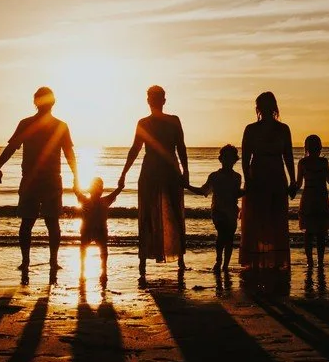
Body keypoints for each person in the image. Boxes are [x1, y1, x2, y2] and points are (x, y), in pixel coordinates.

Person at [0, 86, 79, 282]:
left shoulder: (58, 126)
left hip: (46, 179)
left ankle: (41, 261)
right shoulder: (32, 124)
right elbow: (12, 147)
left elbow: (68, 153)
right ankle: (37, 261)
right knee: (38, 222)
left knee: (42, 222)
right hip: (38, 179)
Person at [117, 85, 190, 280]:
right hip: (151, 170)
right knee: (148, 213)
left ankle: (180, 259)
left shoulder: (173, 121)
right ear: (149, 101)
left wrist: (186, 170)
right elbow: (135, 149)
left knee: (174, 212)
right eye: (152, 98)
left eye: (157, 98)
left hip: (168, 170)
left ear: (163, 101)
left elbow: (181, 146)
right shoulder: (144, 123)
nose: (154, 101)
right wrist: (123, 173)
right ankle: (144, 261)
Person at [240, 91, 296, 270]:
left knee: (276, 219)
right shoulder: (251, 129)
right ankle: (257, 260)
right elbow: (245, 158)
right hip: (258, 177)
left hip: (276, 177)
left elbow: (288, 156)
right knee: (258, 219)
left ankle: (276, 260)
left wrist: (293, 180)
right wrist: (248, 181)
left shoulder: (283, 129)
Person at [290, 134, 329, 271]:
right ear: (319, 147)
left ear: (306, 147)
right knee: (320, 233)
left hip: (309, 197)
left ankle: (310, 262)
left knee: (309, 234)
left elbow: (298, 184)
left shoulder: (303, 162)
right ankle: (319, 262)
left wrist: (290, 191)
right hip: (320, 198)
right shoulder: (322, 162)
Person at [189, 144, 242, 273]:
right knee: (222, 234)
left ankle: (225, 265)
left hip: (232, 210)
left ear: (235, 160)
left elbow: (236, 193)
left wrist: (249, 191)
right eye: (225, 157)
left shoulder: (237, 177)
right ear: (220, 159)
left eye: (231, 158)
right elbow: (203, 191)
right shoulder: (214, 176)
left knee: (229, 238)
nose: (228, 160)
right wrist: (187, 186)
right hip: (218, 210)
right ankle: (219, 261)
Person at [74, 176, 123, 284]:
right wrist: (120, 184)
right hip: (95, 230)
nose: (97, 191)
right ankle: (99, 272)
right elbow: (117, 191)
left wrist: (75, 179)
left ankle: (94, 272)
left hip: (92, 229)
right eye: (97, 188)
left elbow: (76, 191)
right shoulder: (104, 200)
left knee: (91, 250)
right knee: (99, 251)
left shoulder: (87, 200)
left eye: (99, 188)